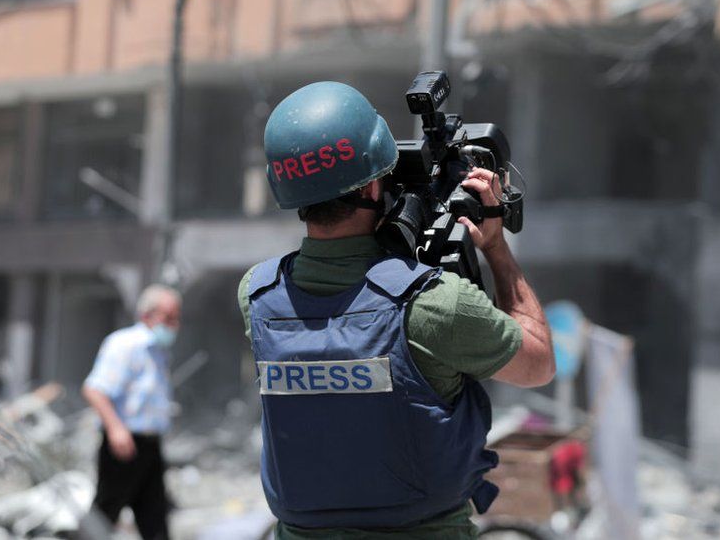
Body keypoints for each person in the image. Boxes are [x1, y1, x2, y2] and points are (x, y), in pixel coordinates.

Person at [236, 81, 555, 539]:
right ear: (371, 187)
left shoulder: (258, 295)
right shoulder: (432, 304)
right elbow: (538, 362)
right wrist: (497, 250)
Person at [82, 285, 180, 540]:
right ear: (148, 314)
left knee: (155, 517)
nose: (173, 325)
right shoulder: (125, 344)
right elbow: (95, 389)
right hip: (124, 444)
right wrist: (116, 429)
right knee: (105, 514)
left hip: (150, 444)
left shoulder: (157, 351)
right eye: (168, 318)